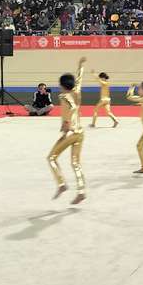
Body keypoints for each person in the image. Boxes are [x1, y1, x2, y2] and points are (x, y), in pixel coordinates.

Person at [47, 57, 87, 204]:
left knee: (51, 158)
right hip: (80, 132)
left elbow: (67, 111)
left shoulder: (63, 96)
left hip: (70, 132)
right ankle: (81, 190)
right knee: (76, 163)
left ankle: (61, 183)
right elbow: (80, 80)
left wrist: (65, 126)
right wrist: (80, 66)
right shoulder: (77, 92)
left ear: (63, 86)